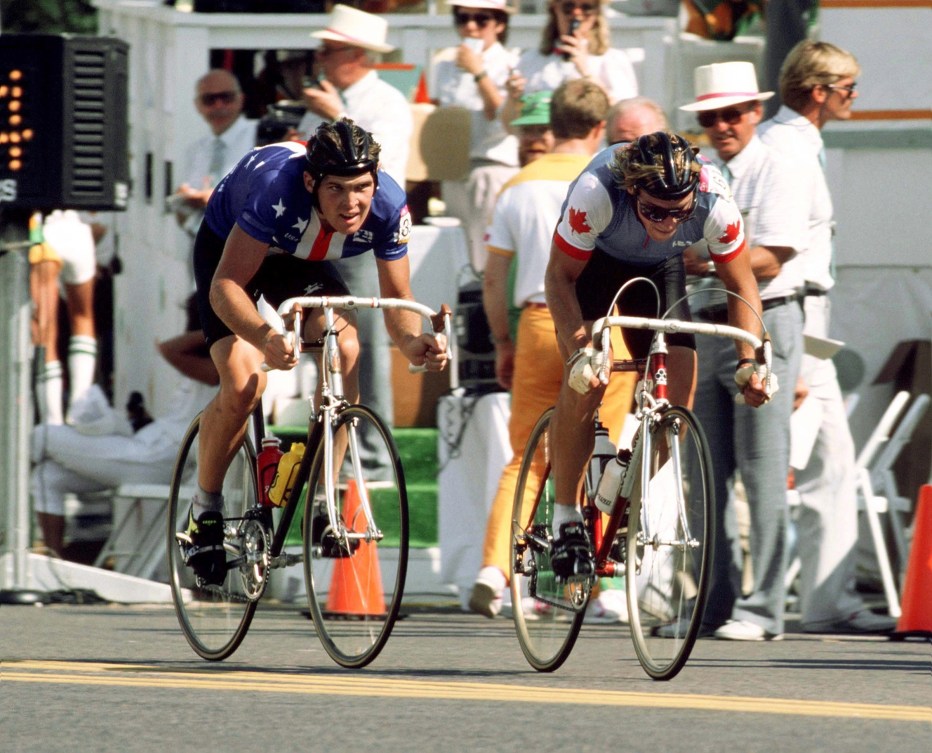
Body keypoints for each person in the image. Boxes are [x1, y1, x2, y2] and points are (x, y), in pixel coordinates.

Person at [185, 119, 448, 584]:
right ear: (311, 183)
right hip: (232, 252)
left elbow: (397, 296)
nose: (352, 204)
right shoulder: (276, 190)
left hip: (299, 260)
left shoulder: (388, 205)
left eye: (362, 187)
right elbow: (226, 286)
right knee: (247, 381)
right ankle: (204, 509)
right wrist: (266, 337)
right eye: (337, 189)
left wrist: (412, 342)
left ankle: (326, 497)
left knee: (344, 347)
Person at [543, 130, 773, 586]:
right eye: (654, 211)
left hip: (661, 267)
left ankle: (626, 491)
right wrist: (578, 352)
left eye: (679, 213)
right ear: (632, 190)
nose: (668, 223)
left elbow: (743, 287)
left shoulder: (714, 200)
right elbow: (558, 278)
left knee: (679, 400)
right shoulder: (597, 193)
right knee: (588, 382)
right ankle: (566, 516)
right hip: (593, 269)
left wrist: (749, 360)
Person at [467, 78, 637, 621]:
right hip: (606, 323)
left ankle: (493, 571)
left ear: (551, 125)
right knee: (600, 451)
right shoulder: (612, 179)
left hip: (541, 321)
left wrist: (501, 340)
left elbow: (494, 280)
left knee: (525, 455)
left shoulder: (516, 186)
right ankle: (595, 582)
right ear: (598, 128)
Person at [759, 41, 895, 634]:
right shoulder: (787, 150)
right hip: (794, 315)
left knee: (831, 464)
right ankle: (801, 600)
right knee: (805, 461)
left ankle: (824, 599)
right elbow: (779, 255)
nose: (854, 97)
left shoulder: (791, 144)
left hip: (805, 315)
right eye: (848, 88)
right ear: (819, 92)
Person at [678, 61, 807, 641]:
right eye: (711, 116)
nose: (723, 124)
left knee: (762, 471)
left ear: (755, 112)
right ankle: (714, 601)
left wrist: (708, 260)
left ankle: (764, 608)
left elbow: (776, 256)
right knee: (703, 471)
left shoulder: (777, 167)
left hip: (763, 319)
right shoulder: (696, 171)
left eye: (733, 113)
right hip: (706, 324)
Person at [297, 4, 414, 478]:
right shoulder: (343, 98)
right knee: (329, 341)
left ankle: (370, 454)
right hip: (319, 233)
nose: (320, 58)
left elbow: (379, 170)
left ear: (356, 54)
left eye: (328, 49)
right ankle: (343, 447)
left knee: (364, 341)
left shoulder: (387, 102)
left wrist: (333, 114)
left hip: (365, 236)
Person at [31, 295, 217, 559]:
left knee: (41, 436)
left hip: (155, 461)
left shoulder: (220, 365)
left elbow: (167, 349)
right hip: (150, 452)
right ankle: (53, 564)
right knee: (47, 476)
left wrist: (218, 329)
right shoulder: (207, 362)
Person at [429, 0, 520, 273]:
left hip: (491, 167)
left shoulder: (511, 63)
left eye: (481, 19)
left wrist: (478, 72)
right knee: (459, 258)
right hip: (455, 170)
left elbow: (502, 119)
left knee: (488, 259)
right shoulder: (444, 63)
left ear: (499, 24)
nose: (470, 26)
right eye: (462, 17)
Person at [501, 0, 639, 131]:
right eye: (568, 6)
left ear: (597, 12)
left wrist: (585, 71)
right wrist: (512, 99)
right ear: (555, 8)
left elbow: (624, 116)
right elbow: (510, 127)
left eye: (586, 7)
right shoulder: (531, 60)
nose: (576, 13)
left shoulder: (612, 59)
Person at [29, 209, 100, 426]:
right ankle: (79, 408)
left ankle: (52, 421)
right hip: (77, 231)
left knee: (44, 332)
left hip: (44, 231)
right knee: (83, 317)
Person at [170, 69, 258, 244]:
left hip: (247, 245)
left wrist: (215, 199)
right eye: (209, 100)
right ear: (198, 105)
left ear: (241, 99)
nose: (219, 106)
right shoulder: (196, 150)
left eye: (226, 97)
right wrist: (183, 201)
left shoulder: (260, 136)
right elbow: (181, 212)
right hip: (204, 245)